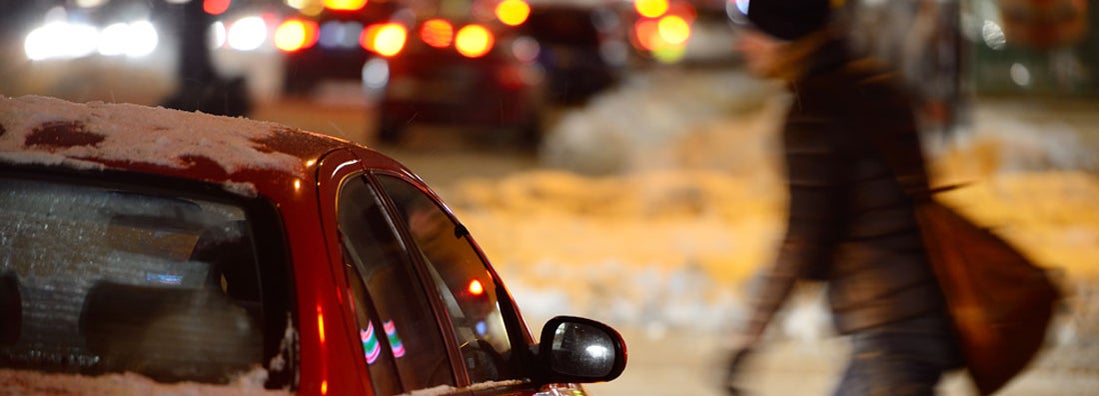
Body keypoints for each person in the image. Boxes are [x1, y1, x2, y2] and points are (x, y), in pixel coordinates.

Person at [723, 1, 963, 395]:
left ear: (785, 37)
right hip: (923, 310)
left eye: (753, 34)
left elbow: (804, 240)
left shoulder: (813, 113)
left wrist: (748, 336)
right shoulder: (878, 87)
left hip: (890, 323)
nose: (742, 46)